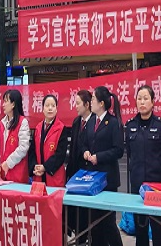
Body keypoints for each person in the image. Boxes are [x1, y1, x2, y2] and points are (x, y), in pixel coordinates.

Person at [125, 85, 161, 246]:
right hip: (137, 186)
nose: (142, 102)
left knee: (158, 227)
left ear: (153, 102)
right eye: (139, 99)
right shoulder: (130, 125)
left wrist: (158, 168)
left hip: (156, 186)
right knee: (140, 228)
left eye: (146, 98)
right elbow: (130, 152)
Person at [79, 86, 124, 246]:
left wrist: (99, 157)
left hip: (107, 179)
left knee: (107, 222)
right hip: (92, 178)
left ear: (101, 103)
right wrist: (85, 152)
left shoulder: (113, 123)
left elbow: (118, 150)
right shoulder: (91, 121)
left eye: (93, 99)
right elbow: (84, 142)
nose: (91, 102)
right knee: (94, 223)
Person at [66, 90, 93, 241]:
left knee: (88, 214)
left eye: (78, 103)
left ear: (87, 104)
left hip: (89, 173)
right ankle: (80, 239)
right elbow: (73, 149)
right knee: (76, 213)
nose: (75, 106)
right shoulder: (77, 122)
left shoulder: (94, 121)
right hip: (76, 173)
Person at [29, 95, 68, 187]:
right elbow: (32, 151)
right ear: (43, 109)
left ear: (56, 109)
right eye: (47, 105)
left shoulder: (61, 128)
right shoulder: (38, 128)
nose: (50, 108)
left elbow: (60, 154)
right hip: (38, 176)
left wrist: (45, 167)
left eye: (53, 106)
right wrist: (34, 166)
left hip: (54, 176)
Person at [0, 89, 30, 183]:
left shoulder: (23, 122)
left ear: (13, 104)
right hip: (3, 173)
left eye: (6, 101)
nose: (3, 105)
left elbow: (23, 147)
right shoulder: (1, 123)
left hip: (18, 173)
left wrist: (8, 163)